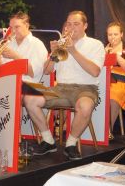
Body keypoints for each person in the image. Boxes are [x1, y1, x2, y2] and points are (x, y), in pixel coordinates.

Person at [24, 11, 105, 160]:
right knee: (30, 98)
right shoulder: (61, 43)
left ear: (85, 26)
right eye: (68, 24)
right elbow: (47, 70)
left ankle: (71, 144)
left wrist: (73, 51)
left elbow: (95, 71)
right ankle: (48, 140)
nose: (71, 27)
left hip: (86, 88)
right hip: (60, 88)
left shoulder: (95, 44)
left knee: (85, 106)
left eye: (76, 24)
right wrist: (53, 54)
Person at [105, 21, 125, 136]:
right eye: (110, 34)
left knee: (113, 95)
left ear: (121, 34)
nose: (112, 37)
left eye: (115, 34)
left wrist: (116, 56)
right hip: (107, 80)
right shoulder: (105, 48)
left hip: (123, 82)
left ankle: (107, 130)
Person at [1, 12, 48, 83]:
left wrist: (16, 56)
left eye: (17, 27)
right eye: (11, 27)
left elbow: (33, 73)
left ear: (27, 26)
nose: (13, 31)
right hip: (7, 83)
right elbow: (2, 70)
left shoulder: (37, 44)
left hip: (27, 85)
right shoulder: (8, 43)